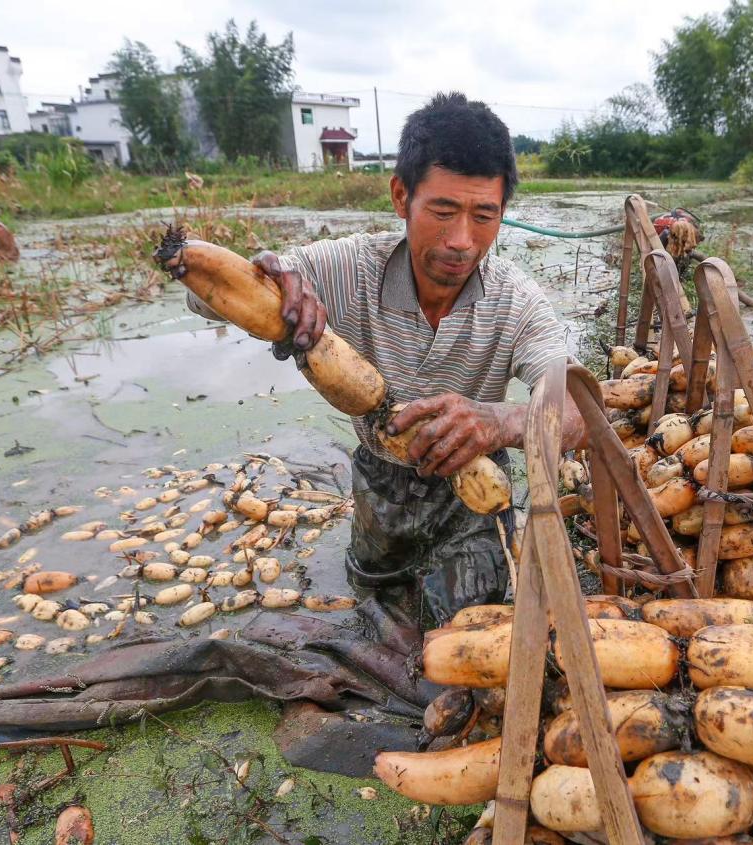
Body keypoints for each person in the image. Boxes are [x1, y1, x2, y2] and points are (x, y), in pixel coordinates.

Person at [188, 92, 586, 627]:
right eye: (442, 212)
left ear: (502, 213)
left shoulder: (517, 300)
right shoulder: (349, 267)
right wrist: (267, 281)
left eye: (483, 216)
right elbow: (205, 297)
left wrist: (500, 421)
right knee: (369, 595)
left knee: (469, 624)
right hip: (381, 481)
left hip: (476, 486)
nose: (462, 241)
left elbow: (579, 412)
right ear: (401, 196)